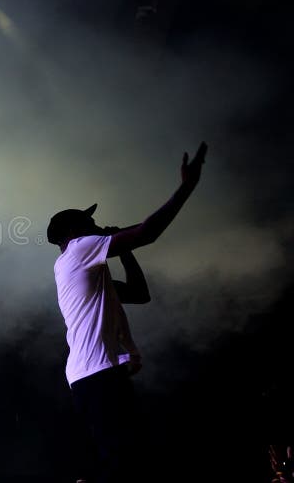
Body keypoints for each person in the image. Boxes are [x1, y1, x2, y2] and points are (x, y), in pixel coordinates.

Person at [46, 142, 207, 483]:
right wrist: (186, 188)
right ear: (73, 232)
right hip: (97, 374)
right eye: (90, 221)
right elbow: (148, 232)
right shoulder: (78, 250)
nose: (97, 224)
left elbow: (139, 293)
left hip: (94, 375)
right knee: (125, 462)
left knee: (125, 457)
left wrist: (121, 248)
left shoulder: (85, 271)